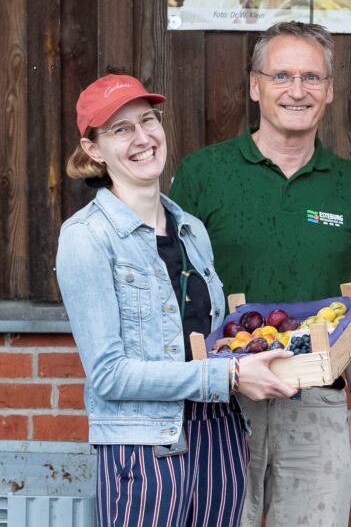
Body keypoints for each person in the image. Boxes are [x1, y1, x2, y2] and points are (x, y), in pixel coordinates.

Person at [169, 22, 351, 527]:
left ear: (330, 91)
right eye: (282, 75)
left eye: (311, 78)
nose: (297, 90)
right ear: (254, 85)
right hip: (223, 405)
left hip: (316, 405)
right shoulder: (204, 173)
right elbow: (173, 297)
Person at [55, 74, 298, 527]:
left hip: (220, 434)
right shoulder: (87, 238)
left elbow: (219, 340)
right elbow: (109, 376)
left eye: (148, 120)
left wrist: (305, 344)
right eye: (121, 129)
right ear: (93, 150)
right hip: (146, 443)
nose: (143, 138)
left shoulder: (191, 229)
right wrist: (227, 374)